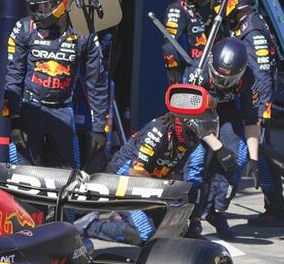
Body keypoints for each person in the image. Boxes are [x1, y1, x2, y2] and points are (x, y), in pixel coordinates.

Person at [77, 84, 221, 244]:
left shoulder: (190, 140)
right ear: (187, 123)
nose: (205, 131)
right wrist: (164, 192)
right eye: (203, 125)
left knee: (168, 233)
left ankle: (124, 218)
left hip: (149, 185)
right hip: (123, 183)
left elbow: (173, 174)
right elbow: (136, 174)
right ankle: (89, 226)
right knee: (146, 234)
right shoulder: (159, 132)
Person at [5, 0, 108, 169]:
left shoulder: (83, 32)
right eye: (34, 6)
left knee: (69, 174)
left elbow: (97, 83)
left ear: (63, 0)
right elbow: (12, 79)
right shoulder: (24, 28)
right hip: (29, 108)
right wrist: (14, 120)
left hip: (63, 110)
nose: (38, 13)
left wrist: (99, 128)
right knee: (21, 174)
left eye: (44, 6)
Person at [213, 0, 284, 227]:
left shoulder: (252, 30)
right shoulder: (245, 23)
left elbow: (261, 72)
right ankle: (275, 208)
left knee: (259, 156)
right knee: (260, 155)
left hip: (257, 103)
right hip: (251, 100)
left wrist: (263, 110)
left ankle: (275, 210)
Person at [185, 38, 261, 240]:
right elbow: (188, 115)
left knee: (238, 156)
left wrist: (254, 158)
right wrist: (218, 148)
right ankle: (191, 219)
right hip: (194, 112)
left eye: (229, 79)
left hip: (225, 110)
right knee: (195, 162)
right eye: (219, 77)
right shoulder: (196, 72)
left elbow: (251, 119)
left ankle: (216, 210)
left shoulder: (249, 78)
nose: (223, 83)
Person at [162, 0, 213, 84]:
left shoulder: (193, 9)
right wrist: (173, 67)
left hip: (198, 71)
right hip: (186, 74)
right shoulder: (177, 8)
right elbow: (169, 44)